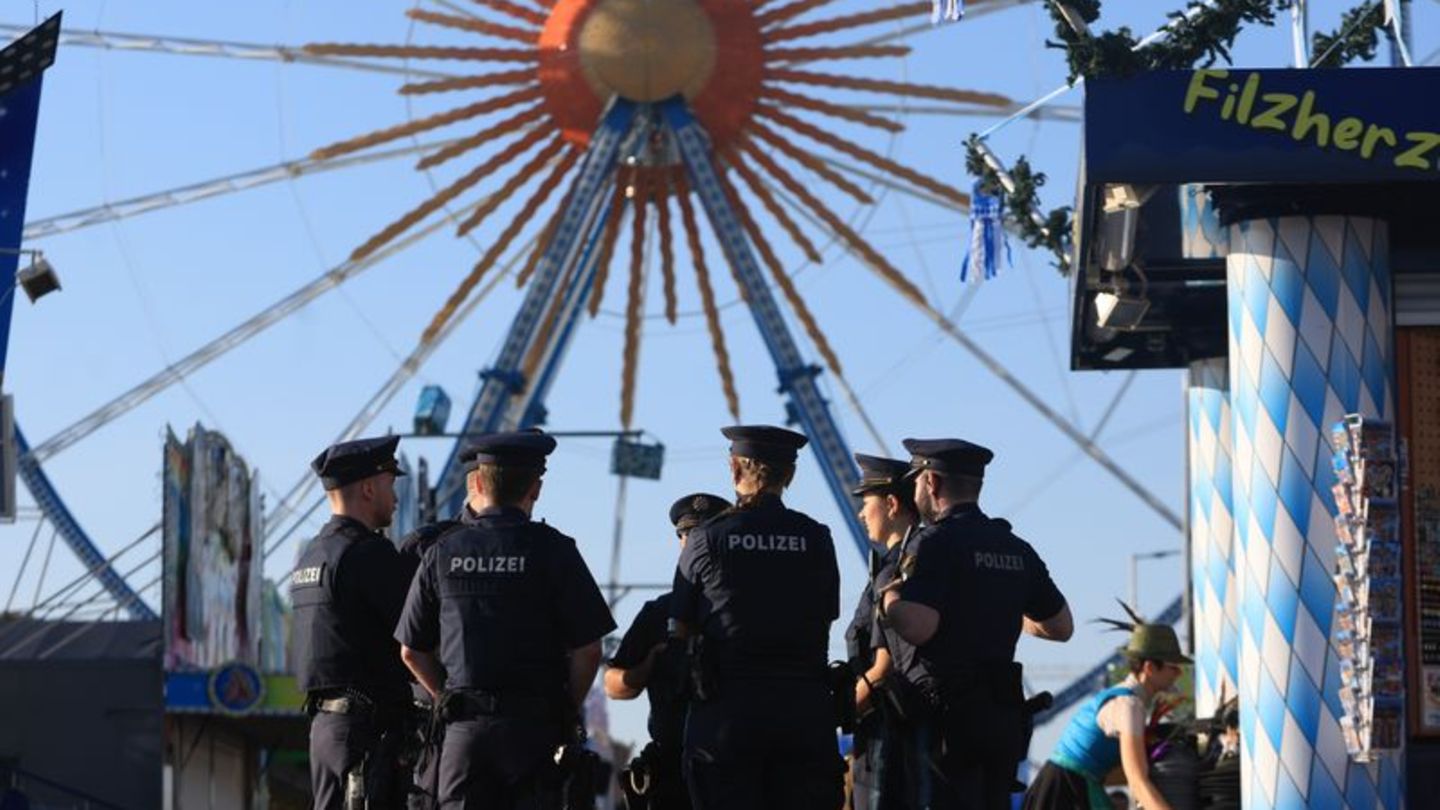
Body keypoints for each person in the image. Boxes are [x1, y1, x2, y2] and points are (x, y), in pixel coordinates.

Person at [395, 430, 616, 809]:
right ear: (536, 488)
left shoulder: (442, 552)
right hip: (533, 733)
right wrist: (564, 709)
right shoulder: (554, 550)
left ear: (478, 482)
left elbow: (411, 651)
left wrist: (446, 697)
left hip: (464, 736)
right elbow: (589, 649)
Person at [882, 438, 1074, 810]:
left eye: (917, 480)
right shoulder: (1015, 547)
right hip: (1002, 718)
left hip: (949, 720)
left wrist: (889, 600)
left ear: (932, 483)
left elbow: (919, 627)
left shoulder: (934, 543)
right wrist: (1000, 603)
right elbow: (1060, 627)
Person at [670, 425, 844, 810]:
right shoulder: (816, 537)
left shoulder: (707, 538)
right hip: (803, 712)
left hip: (727, 714)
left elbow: (680, 624)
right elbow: (826, 613)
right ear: (790, 475)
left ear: (735, 470)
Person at [290, 435, 415, 809]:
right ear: (367, 488)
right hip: (367, 736)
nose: (394, 498)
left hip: (325, 730)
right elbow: (418, 635)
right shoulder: (368, 554)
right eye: (390, 486)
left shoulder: (312, 555)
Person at [606, 492, 732, 810]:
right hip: (671, 765)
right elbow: (614, 685)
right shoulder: (658, 613)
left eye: (700, 535)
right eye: (685, 535)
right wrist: (645, 667)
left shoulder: (741, 610)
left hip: (730, 760)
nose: (691, 543)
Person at [1022, 622, 1190, 810]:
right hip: (1067, 794)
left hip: (1063, 786)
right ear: (1150, 668)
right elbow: (1137, 781)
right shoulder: (1129, 706)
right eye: (1173, 667)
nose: (1178, 674)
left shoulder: (1124, 699)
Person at [846, 453, 925, 810]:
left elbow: (882, 668)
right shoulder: (918, 561)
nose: (862, 514)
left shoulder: (894, 572)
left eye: (867, 504)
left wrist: (832, 712)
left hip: (886, 730)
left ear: (892, 504)